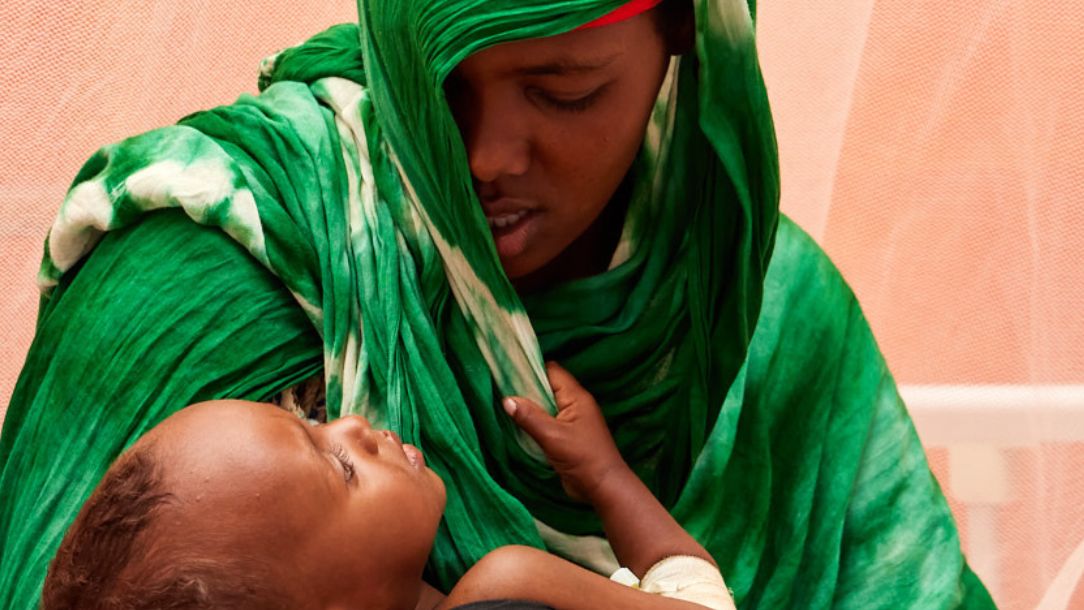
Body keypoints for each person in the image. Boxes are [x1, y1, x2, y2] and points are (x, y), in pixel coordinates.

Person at [0, 0, 997, 608]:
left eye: (563, 92)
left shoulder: (761, 316)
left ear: (688, 33)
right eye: (434, 91)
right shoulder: (221, 269)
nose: (484, 159)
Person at [43, 364, 734, 610]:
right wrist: (607, 478)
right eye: (340, 470)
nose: (351, 425)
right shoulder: (507, 587)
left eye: (310, 420)